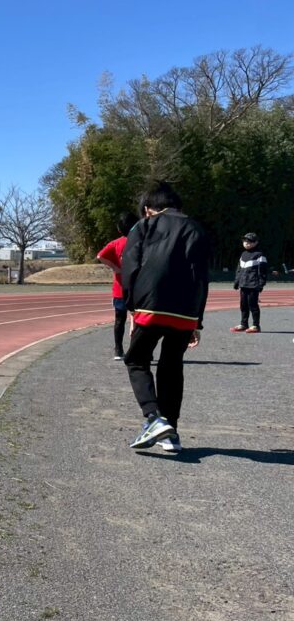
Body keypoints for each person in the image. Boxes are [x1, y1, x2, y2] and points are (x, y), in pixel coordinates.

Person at [121, 181, 209, 454]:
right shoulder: (196, 228)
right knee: (172, 366)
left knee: (136, 359)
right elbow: (202, 277)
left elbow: (130, 267)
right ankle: (171, 434)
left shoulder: (143, 226)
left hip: (150, 304)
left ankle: (153, 417)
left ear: (148, 208)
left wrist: (131, 308)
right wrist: (196, 320)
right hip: (185, 310)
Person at [97, 211, 140, 360]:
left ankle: (118, 349)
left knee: (119, 320)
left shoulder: (116, 243)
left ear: (119, 228)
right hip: (139, 289)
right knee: (140, 320)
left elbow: (100, 255)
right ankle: (138, 350)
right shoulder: (142, 241)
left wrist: (115, 267)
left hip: (120, 289)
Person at [230, 232, 267, 333]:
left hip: (253, 285)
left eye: (250, 241)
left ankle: (256, 325)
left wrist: (261, 284)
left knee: (253, 305)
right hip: (243, 284)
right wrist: (237, 281)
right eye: (245, 241)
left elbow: (263, 271)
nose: (246, 243)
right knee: (243, 305)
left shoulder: (260, 255)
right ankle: (243, 324)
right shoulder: (243, 254)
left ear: (256, 243)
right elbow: (239, 269)